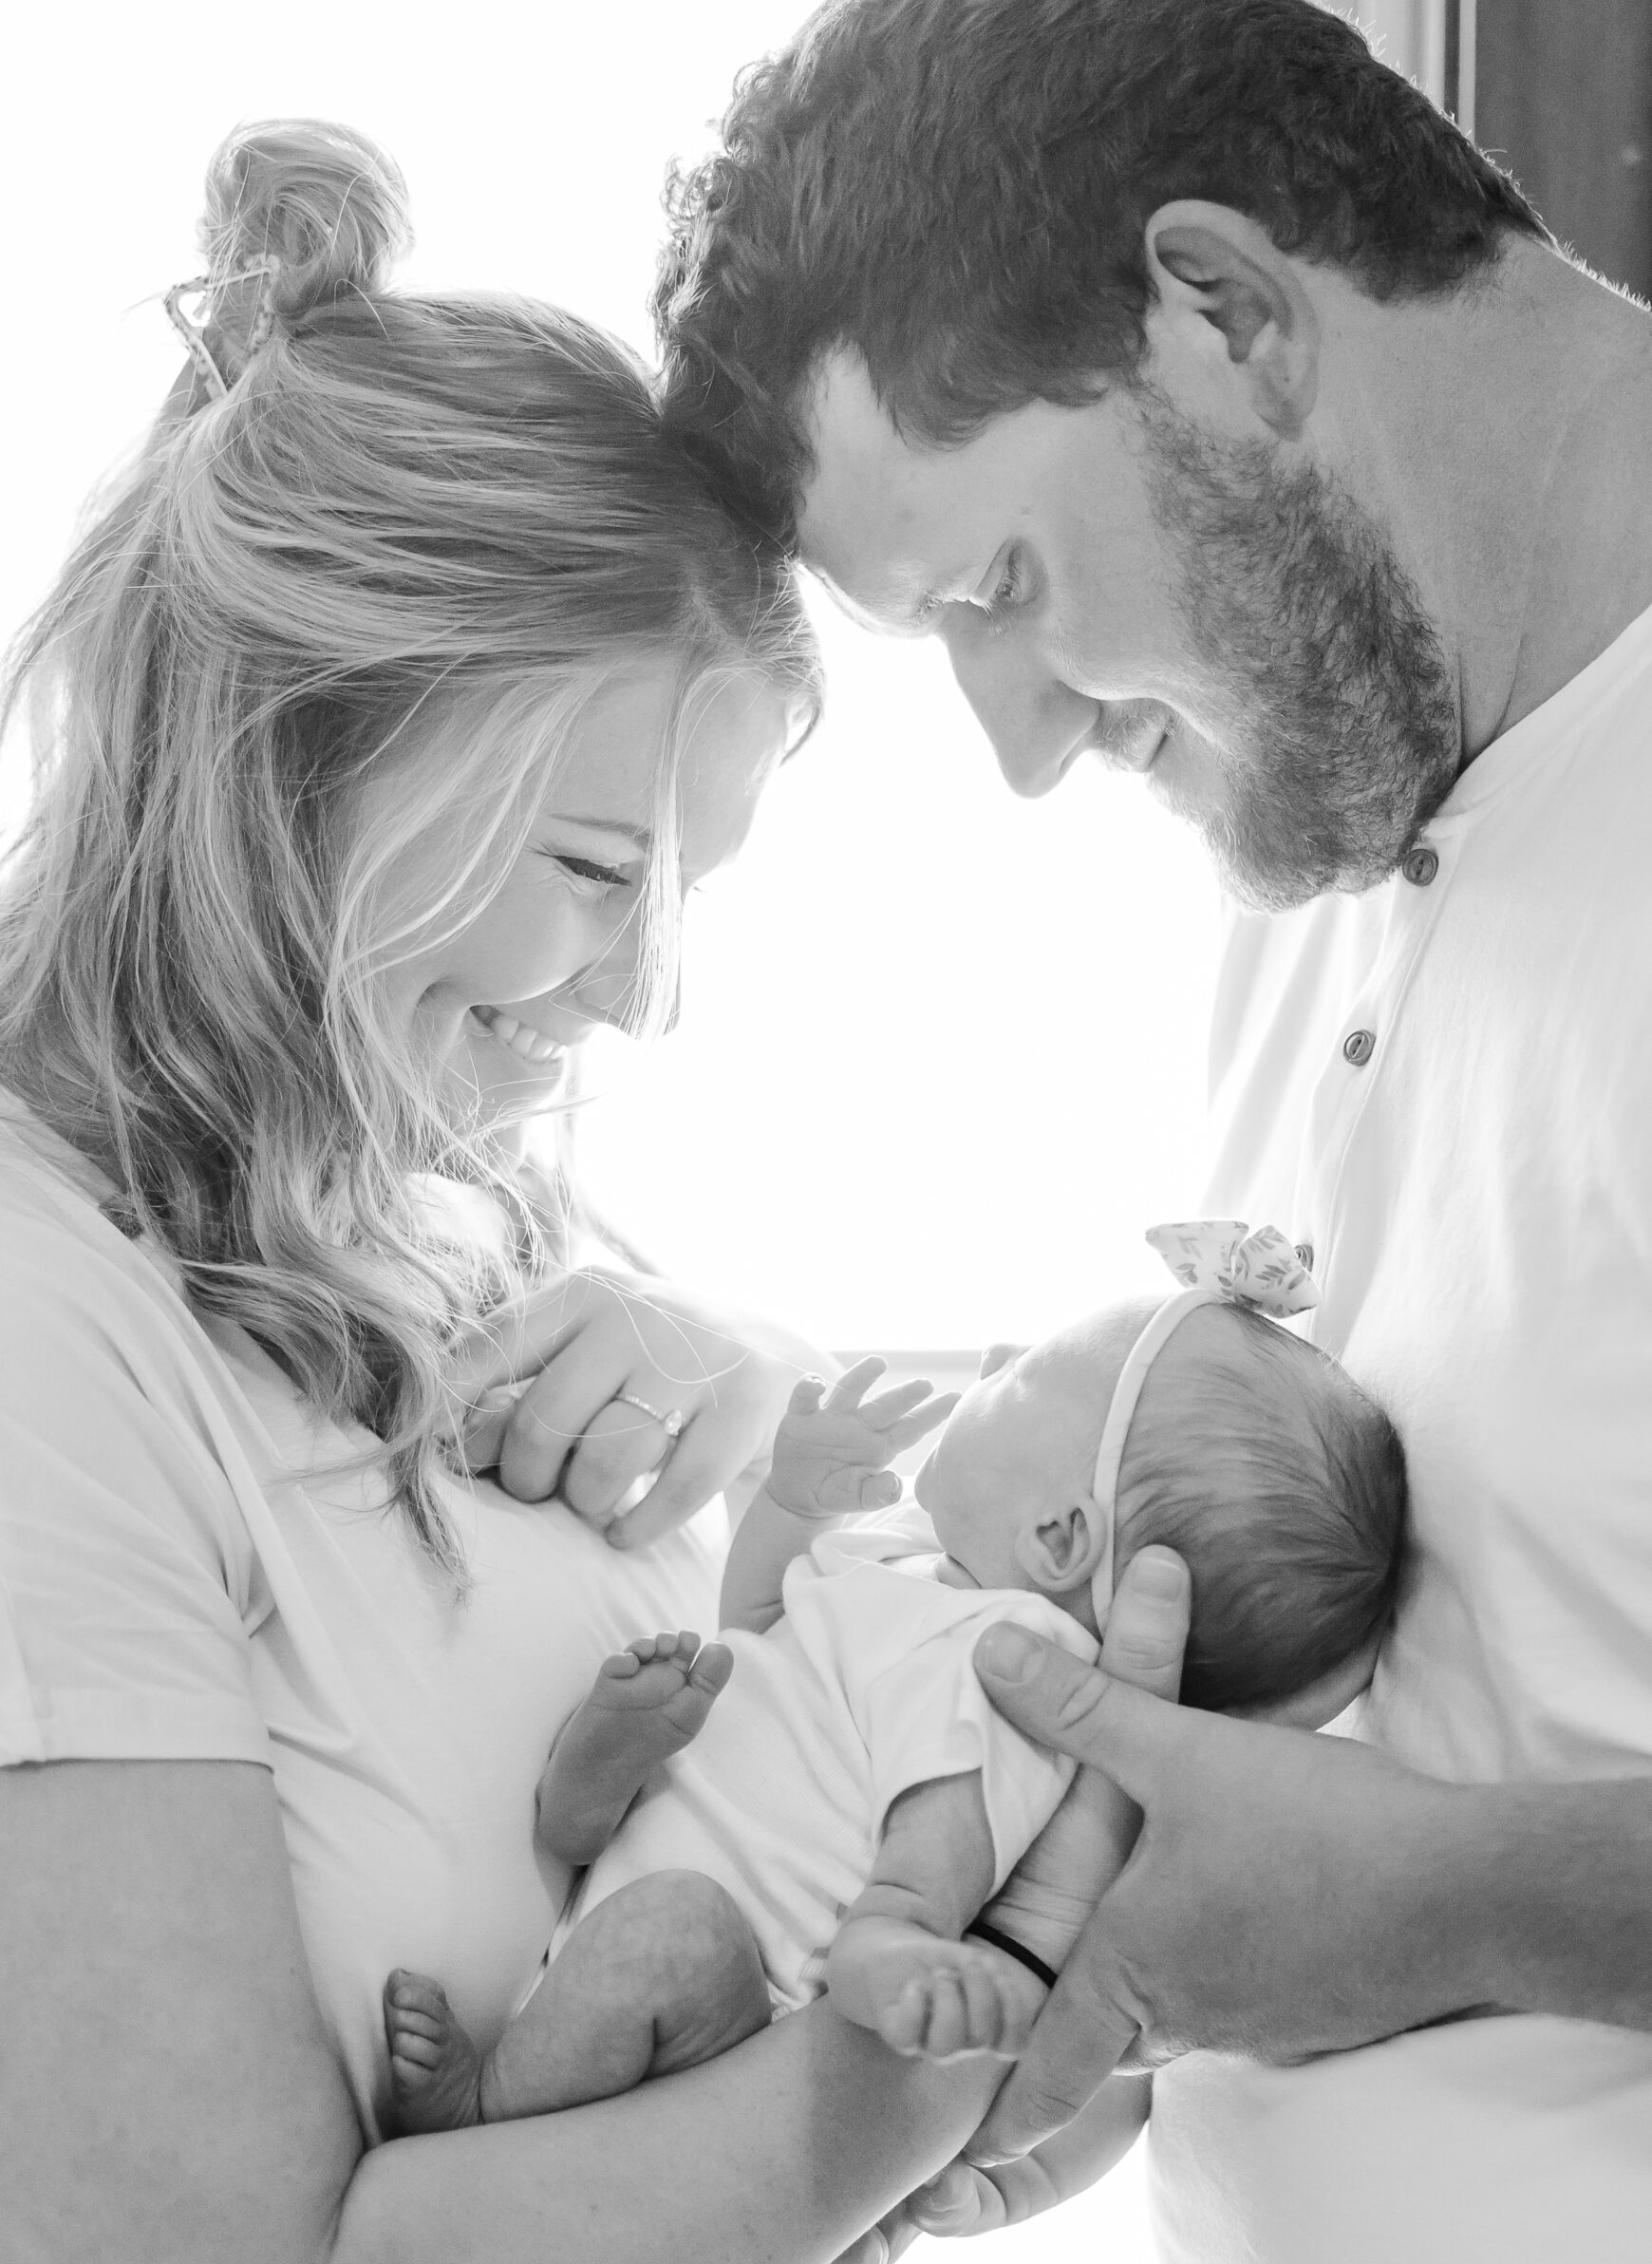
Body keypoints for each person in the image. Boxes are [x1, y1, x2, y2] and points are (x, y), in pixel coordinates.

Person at [0, 114, 1192, 2264]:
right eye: (591, 870)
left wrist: (740, 1385)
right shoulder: (38, 1327)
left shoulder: (464, 1221)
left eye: (691, 891)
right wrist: (893, 2100)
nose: (646, 997)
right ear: (304, 743)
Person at [653, 0, 1652, 2262]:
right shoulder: (1311, 841)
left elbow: (1415, 1865)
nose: (1010, 748)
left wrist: (1449, 1903)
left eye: (995, 586)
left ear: (1218, 312)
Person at [382, 1222, 1400, 2147]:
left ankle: (486, 2110)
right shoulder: (917, 1571)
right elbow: (768, 1625)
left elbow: (929, 1862)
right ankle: (591, 1789)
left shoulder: (1004, 1663)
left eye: (1022, 1375)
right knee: (654, 1724)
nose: (993, 1360)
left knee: (669, 1930)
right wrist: (790, 1502)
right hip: (638, 1870)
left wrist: (898, 1949)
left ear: (1059, 1536)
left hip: (734, 1991)